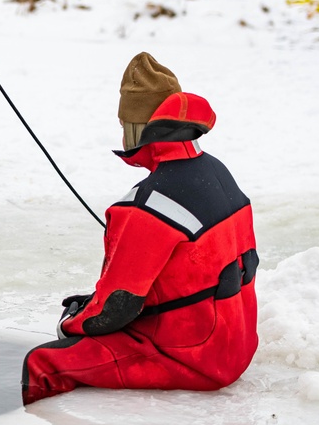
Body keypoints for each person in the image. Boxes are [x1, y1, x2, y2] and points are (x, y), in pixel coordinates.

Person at [21, 52, 258, 404]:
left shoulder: (147, 205)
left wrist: (72, 323)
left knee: (41, 362)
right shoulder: (217, 172)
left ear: (138, 127)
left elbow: (115, 309)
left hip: (192, 357)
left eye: (124, 123)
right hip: (237, 343)